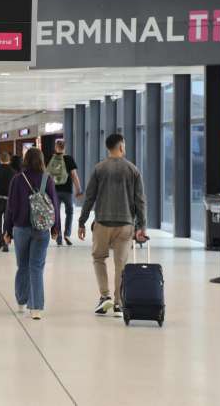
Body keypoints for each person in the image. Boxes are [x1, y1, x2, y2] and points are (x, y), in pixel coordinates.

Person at [78, 134, 147, 317]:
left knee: (99, 258)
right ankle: (118, 303)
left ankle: (105, 296)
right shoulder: (133, 170)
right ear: (121, 147)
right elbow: (140, 201)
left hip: (102, 223)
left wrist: (82, 222)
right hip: (125, 225)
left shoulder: (99, 169)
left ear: (108, 148)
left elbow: (89, 197)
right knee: (121, 265)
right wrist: (142, 227)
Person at [3, 148, 60, 320]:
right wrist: (56, 227)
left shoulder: (18, 179)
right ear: (42, 160)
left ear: (25, 160)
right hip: (42, 228)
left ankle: (21, 300)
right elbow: (54, 205)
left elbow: (11, 206)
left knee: (23, 265)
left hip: (21, 228)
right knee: (36, 267)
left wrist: (7, 230)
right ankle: (36, 309)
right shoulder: (47, 179)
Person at [47, 139, 83, 246]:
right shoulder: (69, 159)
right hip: (67, 191)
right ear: (64, 147)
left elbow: (46, 175)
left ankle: (58, 236)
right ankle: (67, 234)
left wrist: (42, 190)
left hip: (54, 191)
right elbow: (74, 175)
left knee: (56, 214)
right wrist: (78, 190)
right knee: (69, 212)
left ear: (56, 147)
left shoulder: (51, 159)